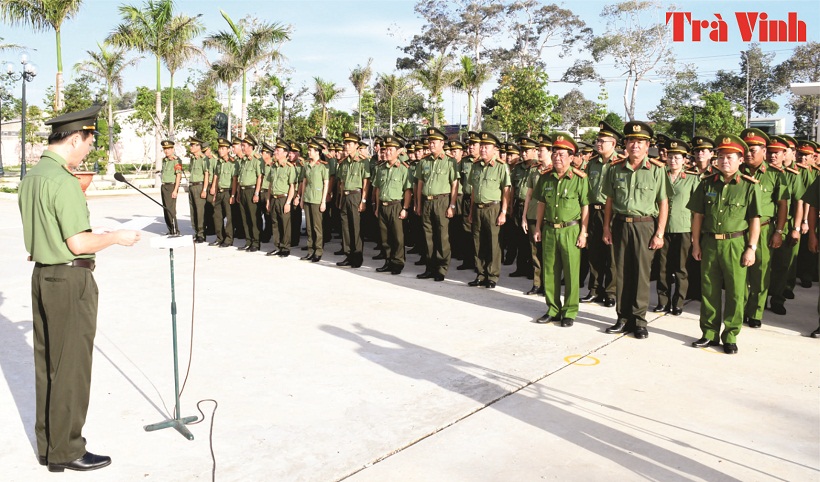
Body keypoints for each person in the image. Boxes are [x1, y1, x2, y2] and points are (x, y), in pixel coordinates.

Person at [18, 105, 141, 472]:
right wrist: (116, 236)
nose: (88, 150)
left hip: (42, 276)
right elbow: (78, 243)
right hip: (70, 280)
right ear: (74, 138)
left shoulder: (33, 177)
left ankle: (49, 447)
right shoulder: (63, 181)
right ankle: (68, 449)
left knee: (47, 367)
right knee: (71, 368)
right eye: (88, 142)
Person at [688, 134, 762, 354]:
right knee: (709, 290)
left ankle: (730, 335)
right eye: (721, 157)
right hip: (710, 243)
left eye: (730, 157)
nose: (724, 161)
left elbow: (754, 220)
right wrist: (695, 244)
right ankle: (709, 333)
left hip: (736, 243)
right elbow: (698, 216)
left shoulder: (749, 186)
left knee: (736, 292)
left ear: (740, 159)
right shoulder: (706, 184)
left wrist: (752, 248)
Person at [602, 121, 670, 339]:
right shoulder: (615, 169)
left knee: (641, 274)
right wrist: (606, 227)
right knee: (620, 272)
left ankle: (639, 320)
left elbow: (664, 203)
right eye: (631, 141)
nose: (635, 145)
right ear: (626, 144)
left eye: (640, 142)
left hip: (645, 225)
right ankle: (622, 318)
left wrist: (659, 233)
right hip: (621, 224)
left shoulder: (657, 170)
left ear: (647, 145)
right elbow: (609, 201)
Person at [532, 133, 589, 327]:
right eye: (555, 153)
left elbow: (585, 206)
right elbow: (540, 203)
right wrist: (538, 227)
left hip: (571, 230)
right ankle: (553, 308)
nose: (557, 157)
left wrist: (584, 232)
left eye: (562, 154)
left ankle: (570, 311)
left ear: (571, 157)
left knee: (572, 272)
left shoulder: (580, 179)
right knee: (550, 271)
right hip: (549, 229)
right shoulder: (546, 178)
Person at [740, 128, 788, 329]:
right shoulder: (737, 171)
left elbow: (783, 205)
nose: (749, 153)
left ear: (764, 151)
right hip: (739, 229)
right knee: (740, 273)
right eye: (746, 149)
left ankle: (756, 312)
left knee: (761, 273)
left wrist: (779, 231)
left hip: (765, 228)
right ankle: (740, 309)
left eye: (753, 149)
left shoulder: (775, 175)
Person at [654, 139, 699, 315]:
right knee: (663, 267)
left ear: (685, 160)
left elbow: (697, 211)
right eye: (671, 157)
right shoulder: (660, 175)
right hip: (663, 229)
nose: (673, 161)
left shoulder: (692, 179)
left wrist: (695, 234)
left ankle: (678, 302)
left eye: (677, 158)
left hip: (684, 228)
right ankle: (662, 300)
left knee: (681, 269)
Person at [582, 121, 621, 308]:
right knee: (594, 253)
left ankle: (611, 291)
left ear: (613, 143)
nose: (598, 144)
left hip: (612, 213)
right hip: (594, 211)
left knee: (611, 255)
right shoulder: (592, 164)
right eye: (597, 140)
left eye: (602, 141)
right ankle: (594, 289)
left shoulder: (620, 164)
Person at [414, 127, 459, 281]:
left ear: (442, 143)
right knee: (428, 237)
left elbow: (454, 184)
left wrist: (452, 205)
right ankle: (429, 267)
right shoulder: (424, 161)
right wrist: (418, 204)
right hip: (427, 201)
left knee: (442, 237)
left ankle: (441, 268)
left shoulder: (449, 161)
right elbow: (420, 183)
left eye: (434, 142)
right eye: (429, 141)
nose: (431, 144)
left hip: (442, 201)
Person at [468, 131, 511, 289]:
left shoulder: (501, 166)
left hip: (493, 208)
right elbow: (474, 190)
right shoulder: (476, 166)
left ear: (495, 149)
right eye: (482, 146)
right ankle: (480, 274)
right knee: (478, 242)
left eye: (487, 147)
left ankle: (492, 275)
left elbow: (506, 190)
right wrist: (472, 211)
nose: (483, 149)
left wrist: (503, 212)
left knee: (493, 243)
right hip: (478, 208)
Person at [767, 135, 805, 316]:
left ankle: (777, 299)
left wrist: (796, 228)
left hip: (786, 226)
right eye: (770, 152)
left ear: (785, 155)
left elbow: (799, 203)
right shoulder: (759, 174)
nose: (772, 156)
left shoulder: (792, 176)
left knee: (782, 266)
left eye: (777, 153)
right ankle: (758, 300)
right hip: (764, 225)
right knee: (762, 265)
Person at [373, 135, 413, 274]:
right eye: (386, 149)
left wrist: (405, 208)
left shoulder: (403, 168)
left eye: (391, 149)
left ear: (398, 151)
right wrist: (377, 207)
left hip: (396, 206)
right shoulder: (381, 168)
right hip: (383, 206)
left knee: (397, 237)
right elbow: (377, 188)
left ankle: (398, 263)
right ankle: (388, 261)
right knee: (385, 238)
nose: (388, 152)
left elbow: (407, 191)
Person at [336, 131, 371, 268]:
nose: (346, 146)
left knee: (356, 227)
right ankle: (348, 254)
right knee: (345, 227)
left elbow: (365, 183)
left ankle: (357, 257)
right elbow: (341, 182)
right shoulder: (343, 163)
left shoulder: (363, 161)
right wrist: (340, 198)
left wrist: (363, 200)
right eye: (345, 143)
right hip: (345, 196)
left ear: (356, 145)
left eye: (349, 143)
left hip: (356, 195)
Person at [265, 139, 297, 258]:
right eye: (275, 150)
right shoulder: (273, 167)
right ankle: (277, 246)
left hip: (284, 198)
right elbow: (270, 185)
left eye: (278, 151)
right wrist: (268, 200)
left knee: (285, 224)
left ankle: (285, 247)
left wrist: (288, 202)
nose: (275, 153)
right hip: (274, 198)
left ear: (285, 153)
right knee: (275, 223)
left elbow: (292, 186)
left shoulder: (289, 167)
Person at [300, 139, 330, 262]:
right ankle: (310, 250)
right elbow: (304, 182)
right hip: (307, 198)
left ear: (317, 152)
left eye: (310, 150)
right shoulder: (306, 165)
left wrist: (323, 201)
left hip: (317, 200)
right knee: (309, 227)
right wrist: (301, 198)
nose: (308, 152)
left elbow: (326, 183)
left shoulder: (323, 166)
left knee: (317, 227)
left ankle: (318, 251)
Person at [237, 134, 264, 252]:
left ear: (251, 147)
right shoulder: (243, 161)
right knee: (245, 217)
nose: (242, 148)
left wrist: (257, 193)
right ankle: (248, 241)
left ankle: (256, 242)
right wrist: (238, 192)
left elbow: (260, 177)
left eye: (244, 146)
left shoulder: (257, 160)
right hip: (242, 190)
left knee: (254, 218)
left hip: (252, 190)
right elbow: (240, 178)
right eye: (242, 146)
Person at [209, 137, 238, 247]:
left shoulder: (233, 163)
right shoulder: (219, 163)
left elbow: (234, 180)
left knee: (230, 217)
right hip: (220, 192)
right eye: (219, 148)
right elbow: (216, 177)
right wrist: (214, 191)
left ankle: (229, 239)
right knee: (217, 216)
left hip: (228, 192)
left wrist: (233, 195)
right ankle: (219, 237)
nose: (220, 150)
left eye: (223, 148)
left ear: (228, 150)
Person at [186, 136, 209, 243]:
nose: (190, 147)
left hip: (199, 186)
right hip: (192, 186)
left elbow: (207, 174)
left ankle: (201, 234)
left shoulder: (204, 159)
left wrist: (204, 189)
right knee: (193, 210)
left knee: (200, 211)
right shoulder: (193, 159)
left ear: (198, 146)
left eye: (192, 145)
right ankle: (196, 231)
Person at [159, 139, 182, 236]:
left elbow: (178, 175)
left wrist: (175, 190)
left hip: (171, 186)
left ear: (173, 149)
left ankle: (175, 230)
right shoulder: (164, 160)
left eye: (168, 149)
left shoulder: (176, 160)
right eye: (165, 149)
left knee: (171, 209)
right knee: (165, 209)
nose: (166, 151)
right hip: (164, 186)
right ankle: (170, 229)